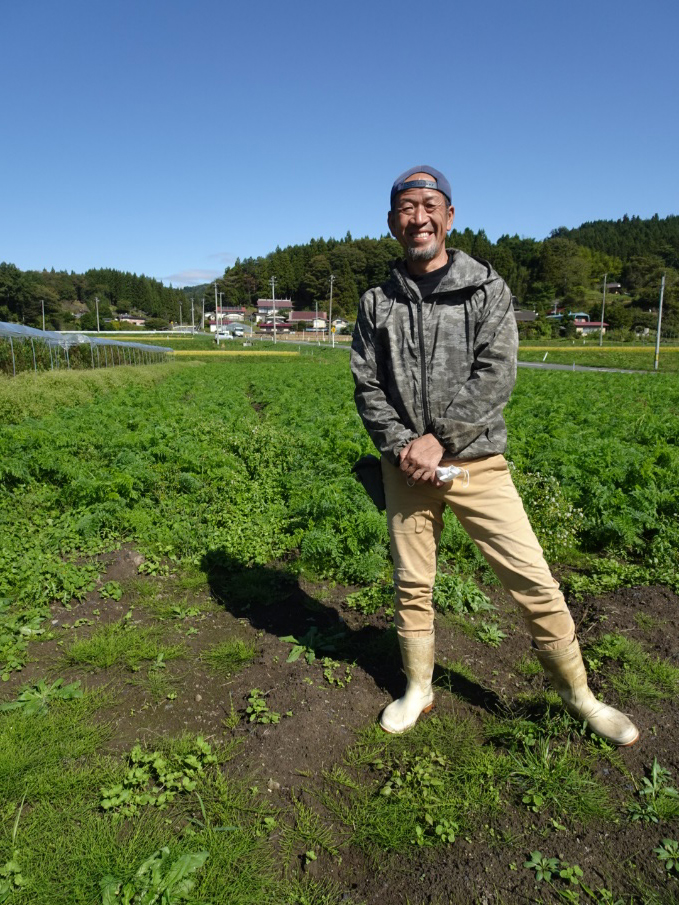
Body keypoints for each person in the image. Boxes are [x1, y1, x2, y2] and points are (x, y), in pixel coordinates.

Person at [350, 165, 638, 746]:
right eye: (407, 208)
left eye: (430, 206)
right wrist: (406, 447)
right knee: (413, 585)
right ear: (391, 222)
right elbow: (367, 384)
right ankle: (419, 688)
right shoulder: (376, 302)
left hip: (477, 462)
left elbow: (497, 373)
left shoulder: (487, 289)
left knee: (534, 579)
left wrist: (442, 439)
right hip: (406, 466)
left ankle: (580, 695)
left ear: (449, 217)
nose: (419, 217)